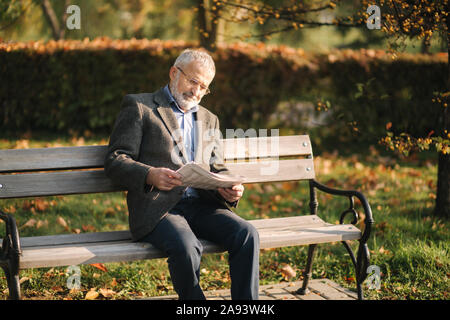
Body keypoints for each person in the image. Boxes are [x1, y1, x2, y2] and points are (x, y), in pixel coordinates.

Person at [104, 49, 259, 300]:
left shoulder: (209, 119)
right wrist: (150, 174)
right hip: (159, 208)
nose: (196, 92)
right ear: (174, 72)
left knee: (247, 234)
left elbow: (217, 166)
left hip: (202, 204)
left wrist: (230, 189)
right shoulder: (140, 106)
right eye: (193, 81)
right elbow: (115, 160)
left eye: (204, 87)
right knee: (187, 246)